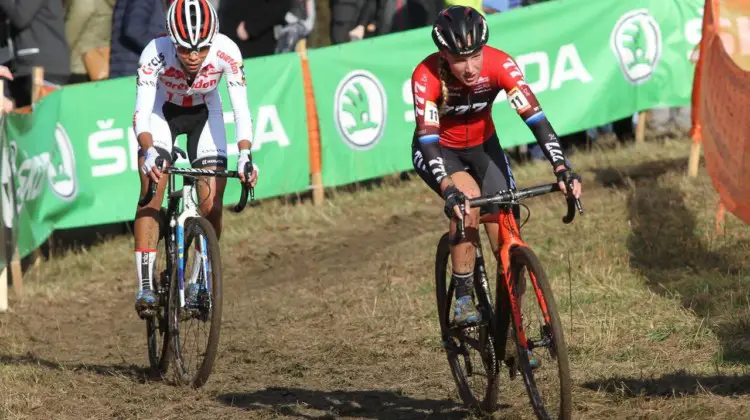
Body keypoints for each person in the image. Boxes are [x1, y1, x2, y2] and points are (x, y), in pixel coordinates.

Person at [410, 6, 582, 326]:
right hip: (439, 151)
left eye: (475, 55)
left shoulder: (500, 64)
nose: (471, 67)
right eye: (460, 59)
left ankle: (512, 327)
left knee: (506, 225)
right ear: (444, 55)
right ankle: (463, 297)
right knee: (468, 199)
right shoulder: (426, 76)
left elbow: (536, 119)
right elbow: (429, 139)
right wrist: (448, 188)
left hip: (483, 147)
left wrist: (561, 166)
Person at [133, 0, 258, 317]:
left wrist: (245, 154)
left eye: (201, 49)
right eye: (186, 49)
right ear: (172, 41)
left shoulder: (226, 51)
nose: (193, 57)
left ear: (212, 41)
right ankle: (145, 285)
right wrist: (147, 150)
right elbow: (142, 113)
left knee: (211, 203)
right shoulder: (155, 51)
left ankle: (201, 278)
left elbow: (240, 109)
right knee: (152, 189)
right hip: (163, 115)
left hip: (205, 114)